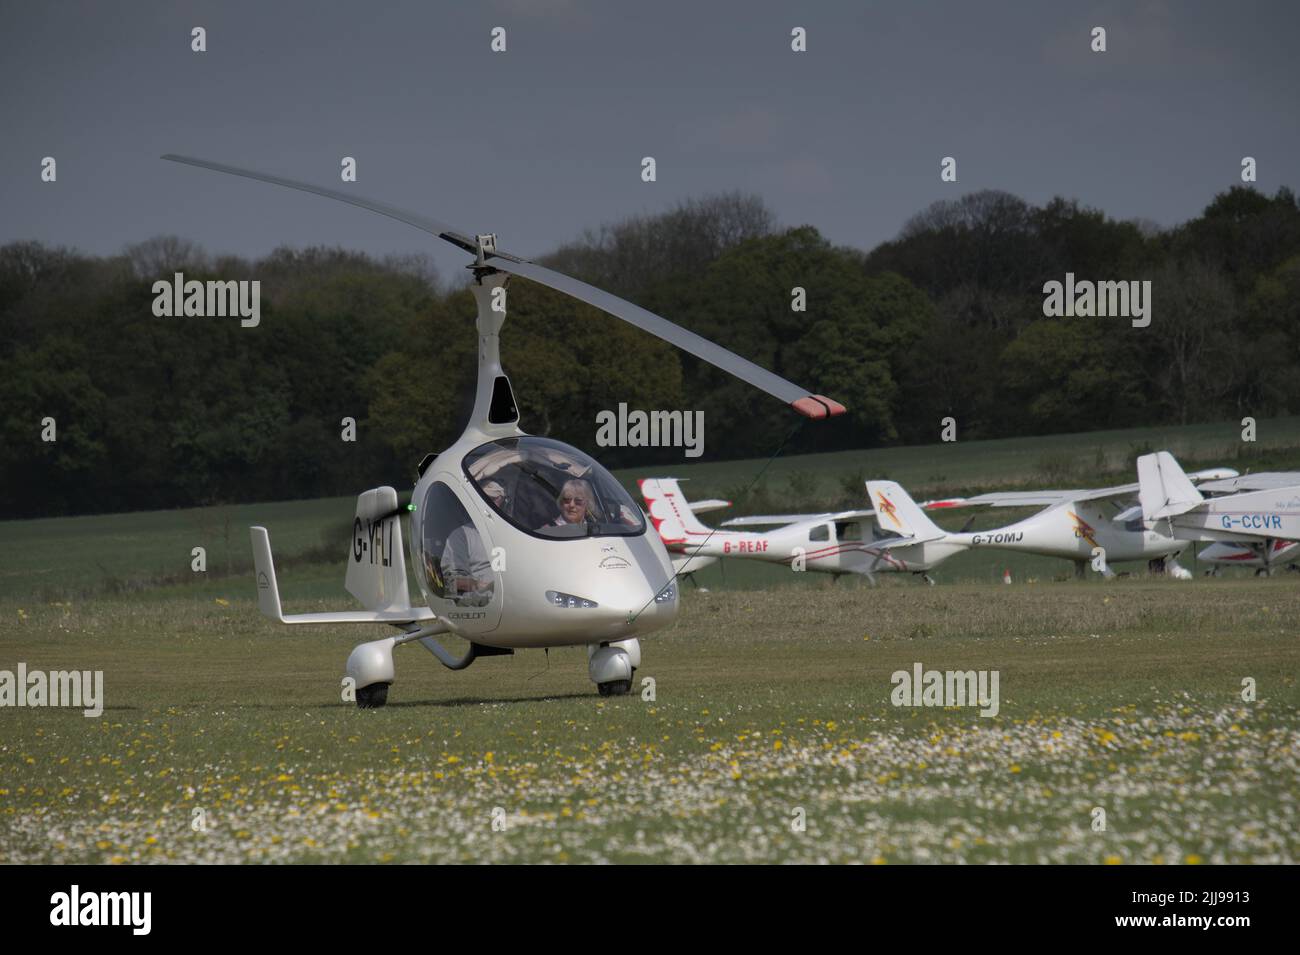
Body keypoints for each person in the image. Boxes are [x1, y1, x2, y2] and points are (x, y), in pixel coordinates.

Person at [440, 520, 494, 606]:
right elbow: (451, 582)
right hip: (482, 601)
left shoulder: (513, 533)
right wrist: (478, 584)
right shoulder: (460, 535)